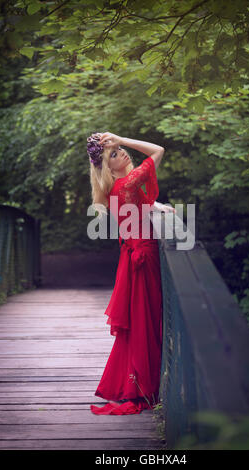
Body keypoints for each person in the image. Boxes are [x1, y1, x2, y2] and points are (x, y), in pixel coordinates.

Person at [87, 132, 175, 415]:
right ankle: (144, 387)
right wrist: (121, 138)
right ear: (107, 168)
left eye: (119, 150)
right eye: (113, 154)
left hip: (133, 256)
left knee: (140, 321)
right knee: (145, 320)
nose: (121, 153)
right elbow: (158, 150)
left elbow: (139, 209)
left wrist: (157, 207)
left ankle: (140, 384)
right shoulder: (128, 182)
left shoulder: (119, 189)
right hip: (144, 256)